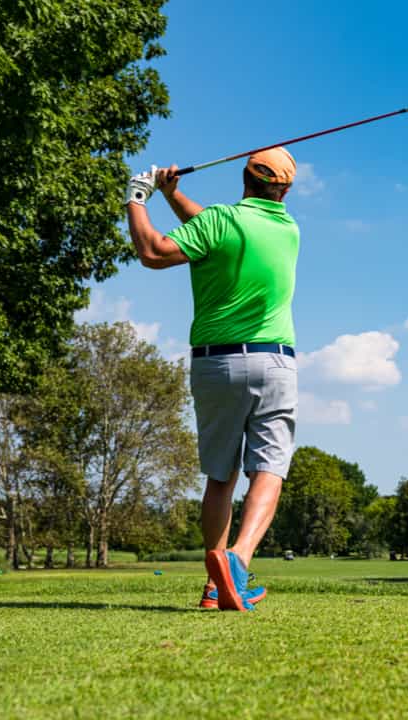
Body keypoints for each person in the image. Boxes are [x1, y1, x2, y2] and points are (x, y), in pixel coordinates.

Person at [124, 148, 300, 611]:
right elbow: (217, 228)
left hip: (215, 364)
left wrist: (138, 199)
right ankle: (238, 560)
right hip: (276, 363)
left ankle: (212, 584)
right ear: (285, 190)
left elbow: (153, 252)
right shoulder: (288, 230)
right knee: (269, 469)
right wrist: (174, 194)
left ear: (244, 176)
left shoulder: (219, 222)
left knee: (220, 478)